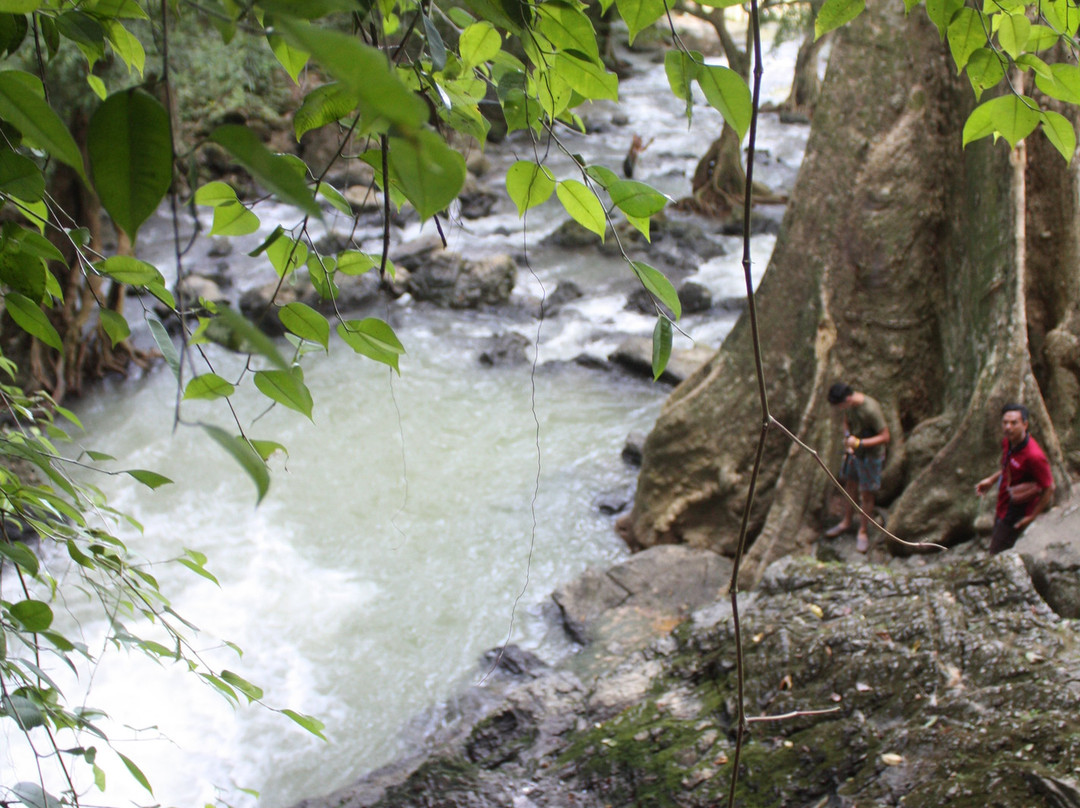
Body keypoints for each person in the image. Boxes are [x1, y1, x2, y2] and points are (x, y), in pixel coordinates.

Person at [975, 403, 1054, 555]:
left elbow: (1049, 487)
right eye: (1005, 422)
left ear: (1025, 424)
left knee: (997, 552)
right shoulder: (1008, 442)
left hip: (1017, 511)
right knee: (1000, 541)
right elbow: (1008, 466)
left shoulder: (1034, 456)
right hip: (1004, 501)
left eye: (1013, 423)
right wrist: (991, 480)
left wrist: (1031, 517)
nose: (1008, 427)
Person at [824, 382, 891, 553]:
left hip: (871, 456)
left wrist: (860, 443)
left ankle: (863, 531)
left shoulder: (870, 409)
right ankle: (846, 522)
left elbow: (885, 436)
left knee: (866, 493)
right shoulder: (849, 407)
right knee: (850, 486)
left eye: (839, 405)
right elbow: (846, 422)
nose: (839, 409)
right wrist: (848, 439)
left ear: (846, 399)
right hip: (855, 454)